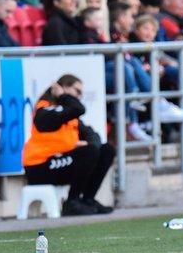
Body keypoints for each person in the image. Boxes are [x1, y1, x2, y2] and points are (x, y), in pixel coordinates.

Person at [22, 74, 115, 216]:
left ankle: (87, 199)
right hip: (39, 167)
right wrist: (63, 96)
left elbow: (94, 136)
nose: (79, 96)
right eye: (77, 91)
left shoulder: (70, 115)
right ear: (63, 88)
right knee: (88, 151)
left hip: (60, 163)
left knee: (106, 150)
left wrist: (88, 144)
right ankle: (72, 202)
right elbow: (79, 109)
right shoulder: (44, 110)